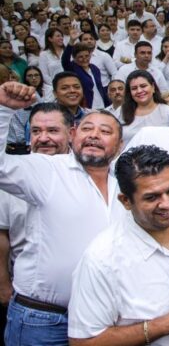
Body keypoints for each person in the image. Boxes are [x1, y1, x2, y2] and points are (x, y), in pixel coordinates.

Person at [0, 81, 124, 344]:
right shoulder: (48, 170)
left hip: (100, 323)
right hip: (42, 321)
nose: (94, 135)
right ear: (73, 135)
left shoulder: (122, 186)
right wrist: (3, 111)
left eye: (105, 131)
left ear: (120, 145)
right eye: (87, 128)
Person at [67, 145, 169, 345]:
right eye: (152, 197)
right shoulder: (102, 259)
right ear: (125, 201)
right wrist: (163, 325)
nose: (166, 203)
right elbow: (82, 342)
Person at [0, 103, 73, 330]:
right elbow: (2, 235)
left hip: (87, 299)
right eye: (36, 131)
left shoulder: (89, 171)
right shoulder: (13, 174)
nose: (43, 138)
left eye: (52, 131)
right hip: (32, 303)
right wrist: (2, 284)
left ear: (71, 133)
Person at [118, 70, 169, 143]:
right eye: (134, 88)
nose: (139, 91)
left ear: (153, 87)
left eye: (143, 86)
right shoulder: (121, 111)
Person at [60, 43, 109, 109]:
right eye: (80, 57)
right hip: (86, 107)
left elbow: (100, 88)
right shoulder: (72, 69)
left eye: (87, 56)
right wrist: (71, 42)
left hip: (101, 106)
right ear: (74, 57)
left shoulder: (95, 69)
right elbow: (65, 60)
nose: (84, 59)